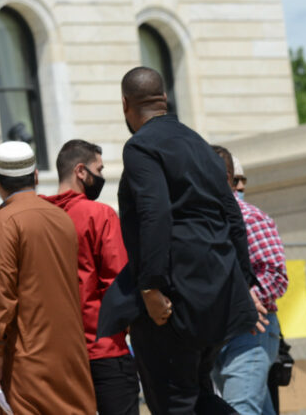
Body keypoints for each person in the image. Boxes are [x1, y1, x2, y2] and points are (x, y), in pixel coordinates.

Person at [99, 66, 264, 415]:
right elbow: (232, 216)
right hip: (218, 297)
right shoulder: (200, 145)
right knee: (198, 397)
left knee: (173, 404)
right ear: (165, 100)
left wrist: (151, 287)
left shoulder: (140, 147)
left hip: (174, 301)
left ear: (125, 104)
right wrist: (242, 282)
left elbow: (154, 214)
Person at [0, 141, 96, 414]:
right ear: (35, 176)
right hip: (72, 357)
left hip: (28, 361)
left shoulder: (6, 221)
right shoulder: (61, 218)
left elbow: (2, 295)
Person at [41, 139, 139, 415]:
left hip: (56, 355)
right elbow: (118, 281)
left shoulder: (39, 219)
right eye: (100, 168)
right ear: (81, 171)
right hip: (104, 349)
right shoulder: (99, 215)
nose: (102, 176)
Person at [210, 146, 288, 415]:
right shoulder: (203, 223)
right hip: (218, 334)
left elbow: (276, 276)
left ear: (227, 176)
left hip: (251, 333)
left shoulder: (250, 218)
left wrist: (243, 300)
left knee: (239, 410)